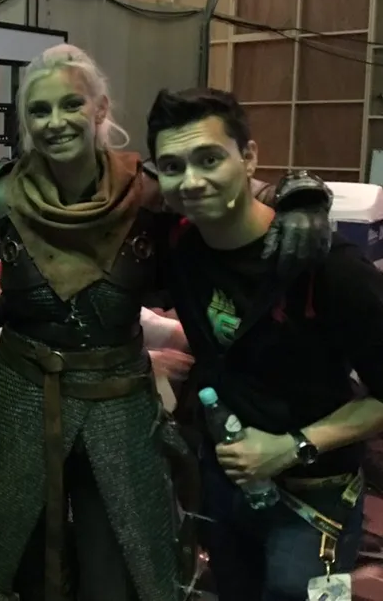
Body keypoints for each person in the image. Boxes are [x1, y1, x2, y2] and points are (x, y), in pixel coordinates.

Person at [0, 44, 333, 601]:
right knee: (12, 556)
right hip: (23, 393)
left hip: (118, 398)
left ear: (100, 109)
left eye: (72, 104)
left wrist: (301, 197)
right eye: (39, 110)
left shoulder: (145, 189)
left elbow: (232, 192)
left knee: (126, 560)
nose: (55, 121)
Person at [147, 87, 383, 600]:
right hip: (224, 484)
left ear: (249, 156)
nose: (192, 180)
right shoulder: (179, 245)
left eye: (210, 158)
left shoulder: (328, 265)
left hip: (316, 500)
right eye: (172, 166)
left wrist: (291, 446)